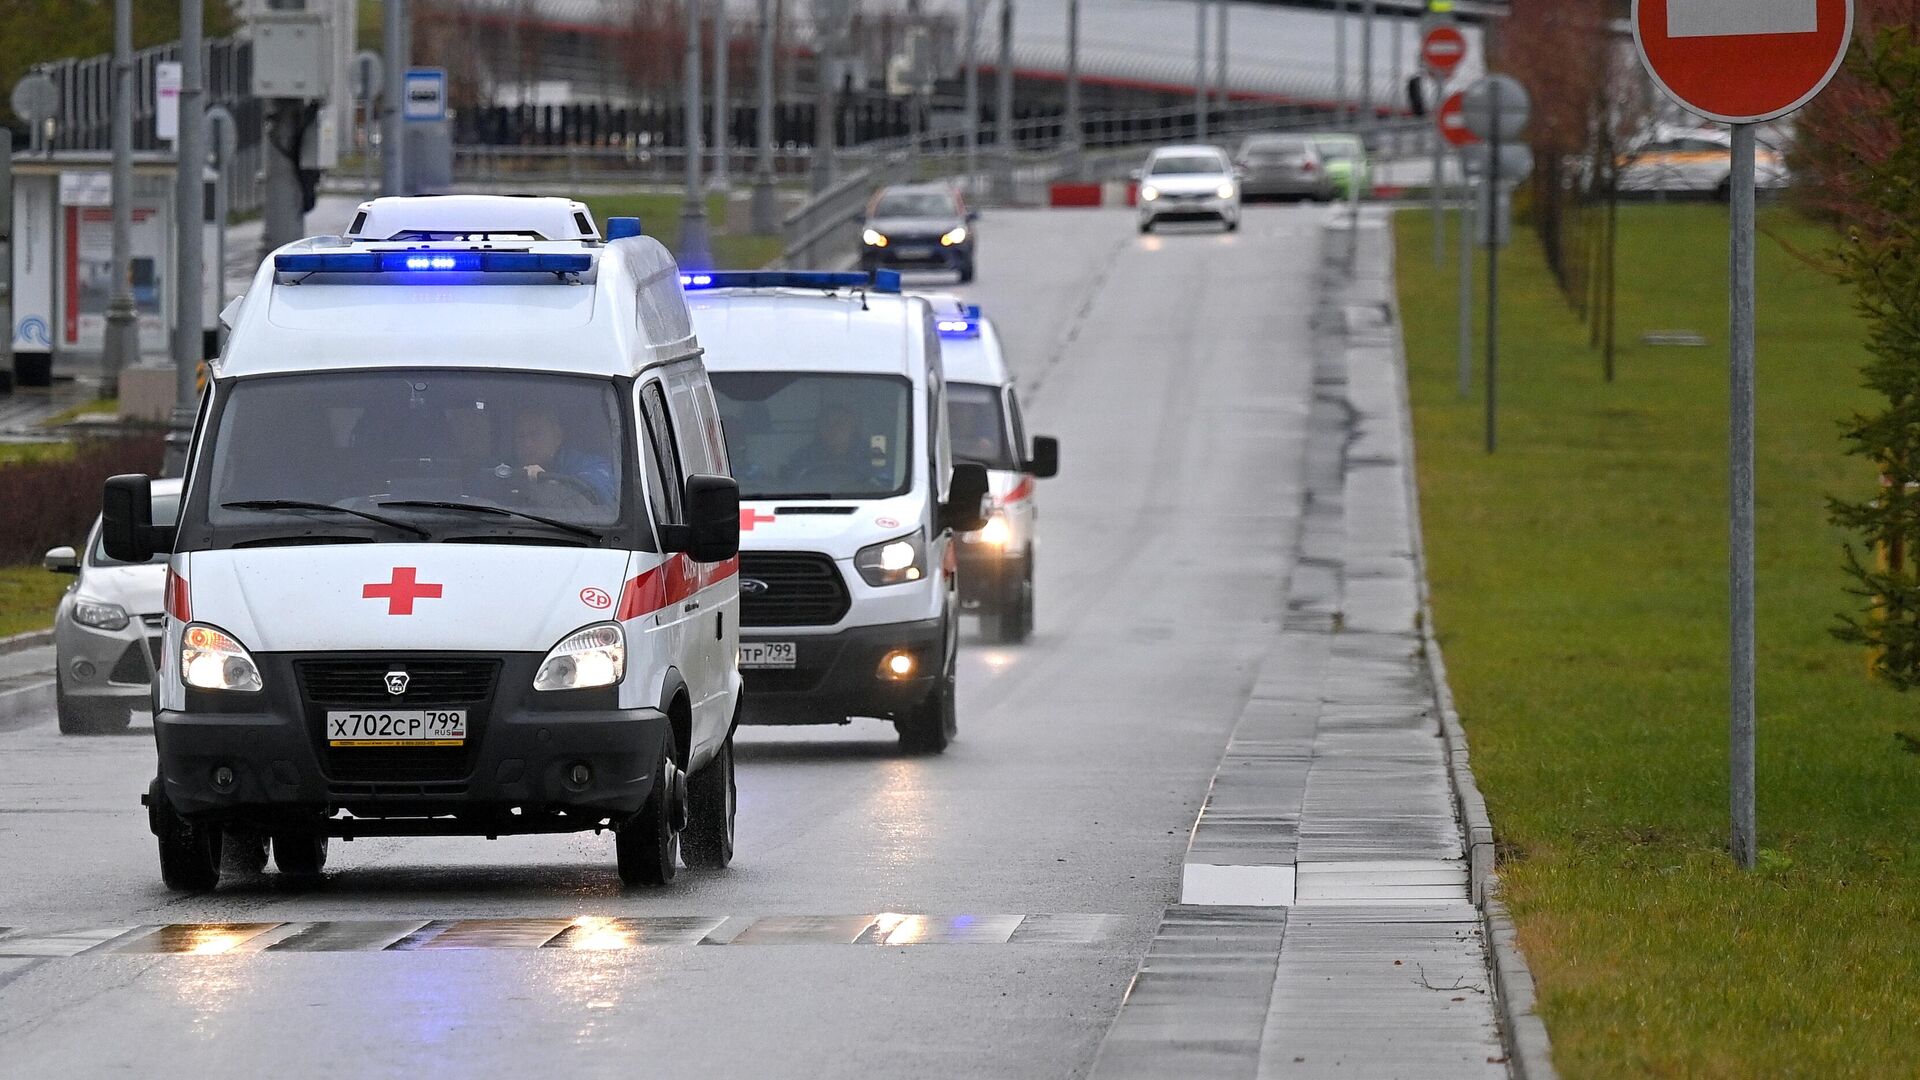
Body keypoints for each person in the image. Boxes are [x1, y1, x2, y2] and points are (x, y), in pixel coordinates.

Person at [510, 406, 617, 505]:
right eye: (521, 436)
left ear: (557, 437)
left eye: (536, 434)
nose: (527, 443)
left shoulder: (592, 465)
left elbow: (593, 495)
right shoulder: (505, 468)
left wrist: (548, 485)